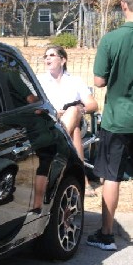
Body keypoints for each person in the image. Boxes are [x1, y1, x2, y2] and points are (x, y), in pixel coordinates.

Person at [87, 0, 133, 251]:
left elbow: (99, 80)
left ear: (123, 5)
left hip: (118, 119)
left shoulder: (111, 39)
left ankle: (106, 235)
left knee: (112, 177)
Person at [37, 45, 99, 197]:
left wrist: (80, 110)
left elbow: (93, 104)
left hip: (72, 120)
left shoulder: (74, 81)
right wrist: (54, 112)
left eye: (51, 55)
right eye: (45, 56)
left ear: (62, 60)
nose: (47, 59)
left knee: (73, 112)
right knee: (74, 132)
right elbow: (35, 106)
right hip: (51, 120)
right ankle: (82, 179)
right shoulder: (40, 81)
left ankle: (57, 143)